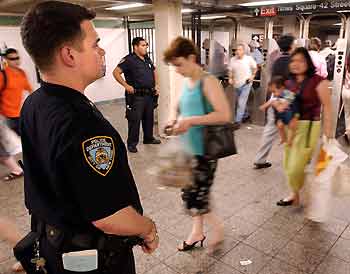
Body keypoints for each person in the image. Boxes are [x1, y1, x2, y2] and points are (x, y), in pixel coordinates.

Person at [20, 2, 158, 274]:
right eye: (95, 44)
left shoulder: (35, 103)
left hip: (50, 246)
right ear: (69, 55)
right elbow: (108, 216)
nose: (102, 50)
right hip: (92, 258)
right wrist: (148, 228)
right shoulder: (84, 125)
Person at [163, 37, 231, 253]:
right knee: (194, 193)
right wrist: (174, 119)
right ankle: (197, 232)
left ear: (192, 58)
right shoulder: (188, 81)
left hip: (204, 151)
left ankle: (218, 232)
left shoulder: (207, 81)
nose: (177, 70)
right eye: (174, 66)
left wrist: (191, 121)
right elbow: (181, 106)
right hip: (188, 149)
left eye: (179, 64)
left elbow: (224, 115)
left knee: (195, 197)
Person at [277, 47, 332, 206]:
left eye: (300, 60)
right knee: (288, 163)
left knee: (297, 166)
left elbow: (327, 107)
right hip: (291, 127)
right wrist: (280, 115)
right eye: (293, 60)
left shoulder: (318, 81)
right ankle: (294, 193)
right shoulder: (289, 82)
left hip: (308, 127)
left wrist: (328, 132)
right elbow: (286, 103)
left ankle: (299, 190)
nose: (296, 64)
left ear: (308, 63)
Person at [254, 34, 295, 169]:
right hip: (287, 99)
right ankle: (296, 160)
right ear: (291, 46)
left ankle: (260, 159)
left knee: (270, 129)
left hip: (275, 97)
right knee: (294, 130)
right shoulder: (293, 61)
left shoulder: (276, 60)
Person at [113, 37, 161, 153]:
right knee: (134, 120)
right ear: (135, 47)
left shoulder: (146, 59)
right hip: (136, 96)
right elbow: (116, 72)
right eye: (143, 45)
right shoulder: (129, 59)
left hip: (149, 94)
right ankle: (132, 143)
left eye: (146, 45)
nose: (146, 47)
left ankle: (148, 138)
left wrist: (157, 85)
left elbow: (154, 70)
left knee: (148, 118)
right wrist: (126, 85)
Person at [0, 48, 32, 136]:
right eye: (12, 59)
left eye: (17, 58)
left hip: (20, 113)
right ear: (6, 60)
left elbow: (29, 90)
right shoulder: (3, 75)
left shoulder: (22, 73)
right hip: (7, 116)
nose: (16, 61)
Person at [259, 76, 298, 146]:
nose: (273, 94)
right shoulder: (277, 96)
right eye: (272, 92)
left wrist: (282, 106)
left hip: (291, 114)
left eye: (274, 91)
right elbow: (271, 101)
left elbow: (291, 100)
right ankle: (284, 138)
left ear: (282, 88)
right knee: (279, 125)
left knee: (292, 126)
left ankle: (291, 140)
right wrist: (264, 106)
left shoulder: (287, 93)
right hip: (282, 115)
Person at [229, 43, 257, 129]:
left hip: (246, 83)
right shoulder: (232, 59)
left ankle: (237, 122)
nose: (237, 51)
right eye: (237, 50)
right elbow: (231, 70)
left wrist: (252, 76)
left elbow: (255, 68)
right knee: (239, 102)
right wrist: (230, 78)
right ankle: (246, 115)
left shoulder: (248, 59)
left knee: (241, 103)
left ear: (243, 51)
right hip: (236, 84)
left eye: (240, 50)